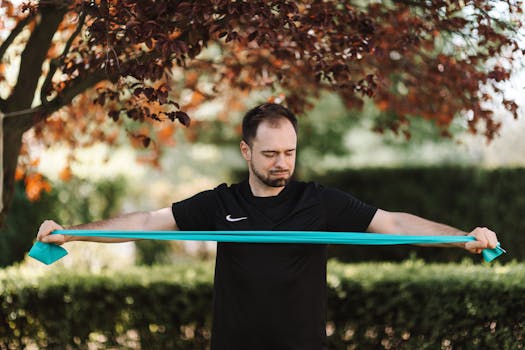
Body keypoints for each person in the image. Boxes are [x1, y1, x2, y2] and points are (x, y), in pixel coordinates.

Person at [36, 103, 498, 350]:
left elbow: (393, 221)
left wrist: (461, 239)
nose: (283, 164)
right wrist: (72, 231)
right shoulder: (221, 203)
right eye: (272, 154)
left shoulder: (319, 201)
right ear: (246, 152)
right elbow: (146, 222)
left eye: (290, 153)